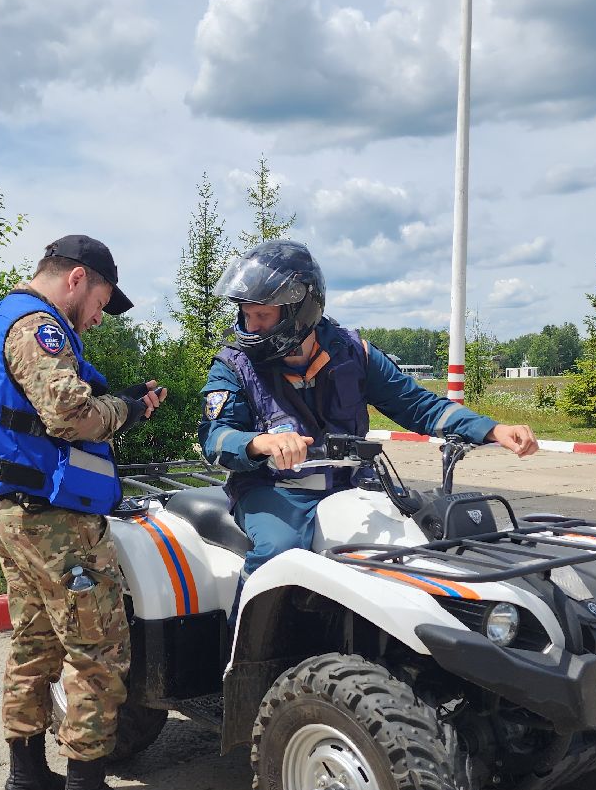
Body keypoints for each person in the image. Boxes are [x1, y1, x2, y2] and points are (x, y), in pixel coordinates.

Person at [0, 234, 168, 790]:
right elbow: (69, 416)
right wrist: (125, 410)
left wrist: (120, 399)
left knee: (34, 644)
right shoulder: (38, 327)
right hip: (53, 524)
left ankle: (26, 783)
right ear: (77, 278)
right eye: (101, 300)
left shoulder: (4, 320)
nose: (99, 316)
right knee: (97, 651)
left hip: (12, 514)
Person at [198, 240, 538, 600]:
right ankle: (243, 654)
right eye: (246, 315)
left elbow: (417, 404)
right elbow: (215, 437)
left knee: (425, 540)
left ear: (299, 310)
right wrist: (257, 443)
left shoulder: (352, 352)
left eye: (261, 316)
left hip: (355, 484)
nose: (250, 326)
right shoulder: (234, 364)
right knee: (279, 554)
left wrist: (492, 429)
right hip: (274, 490)